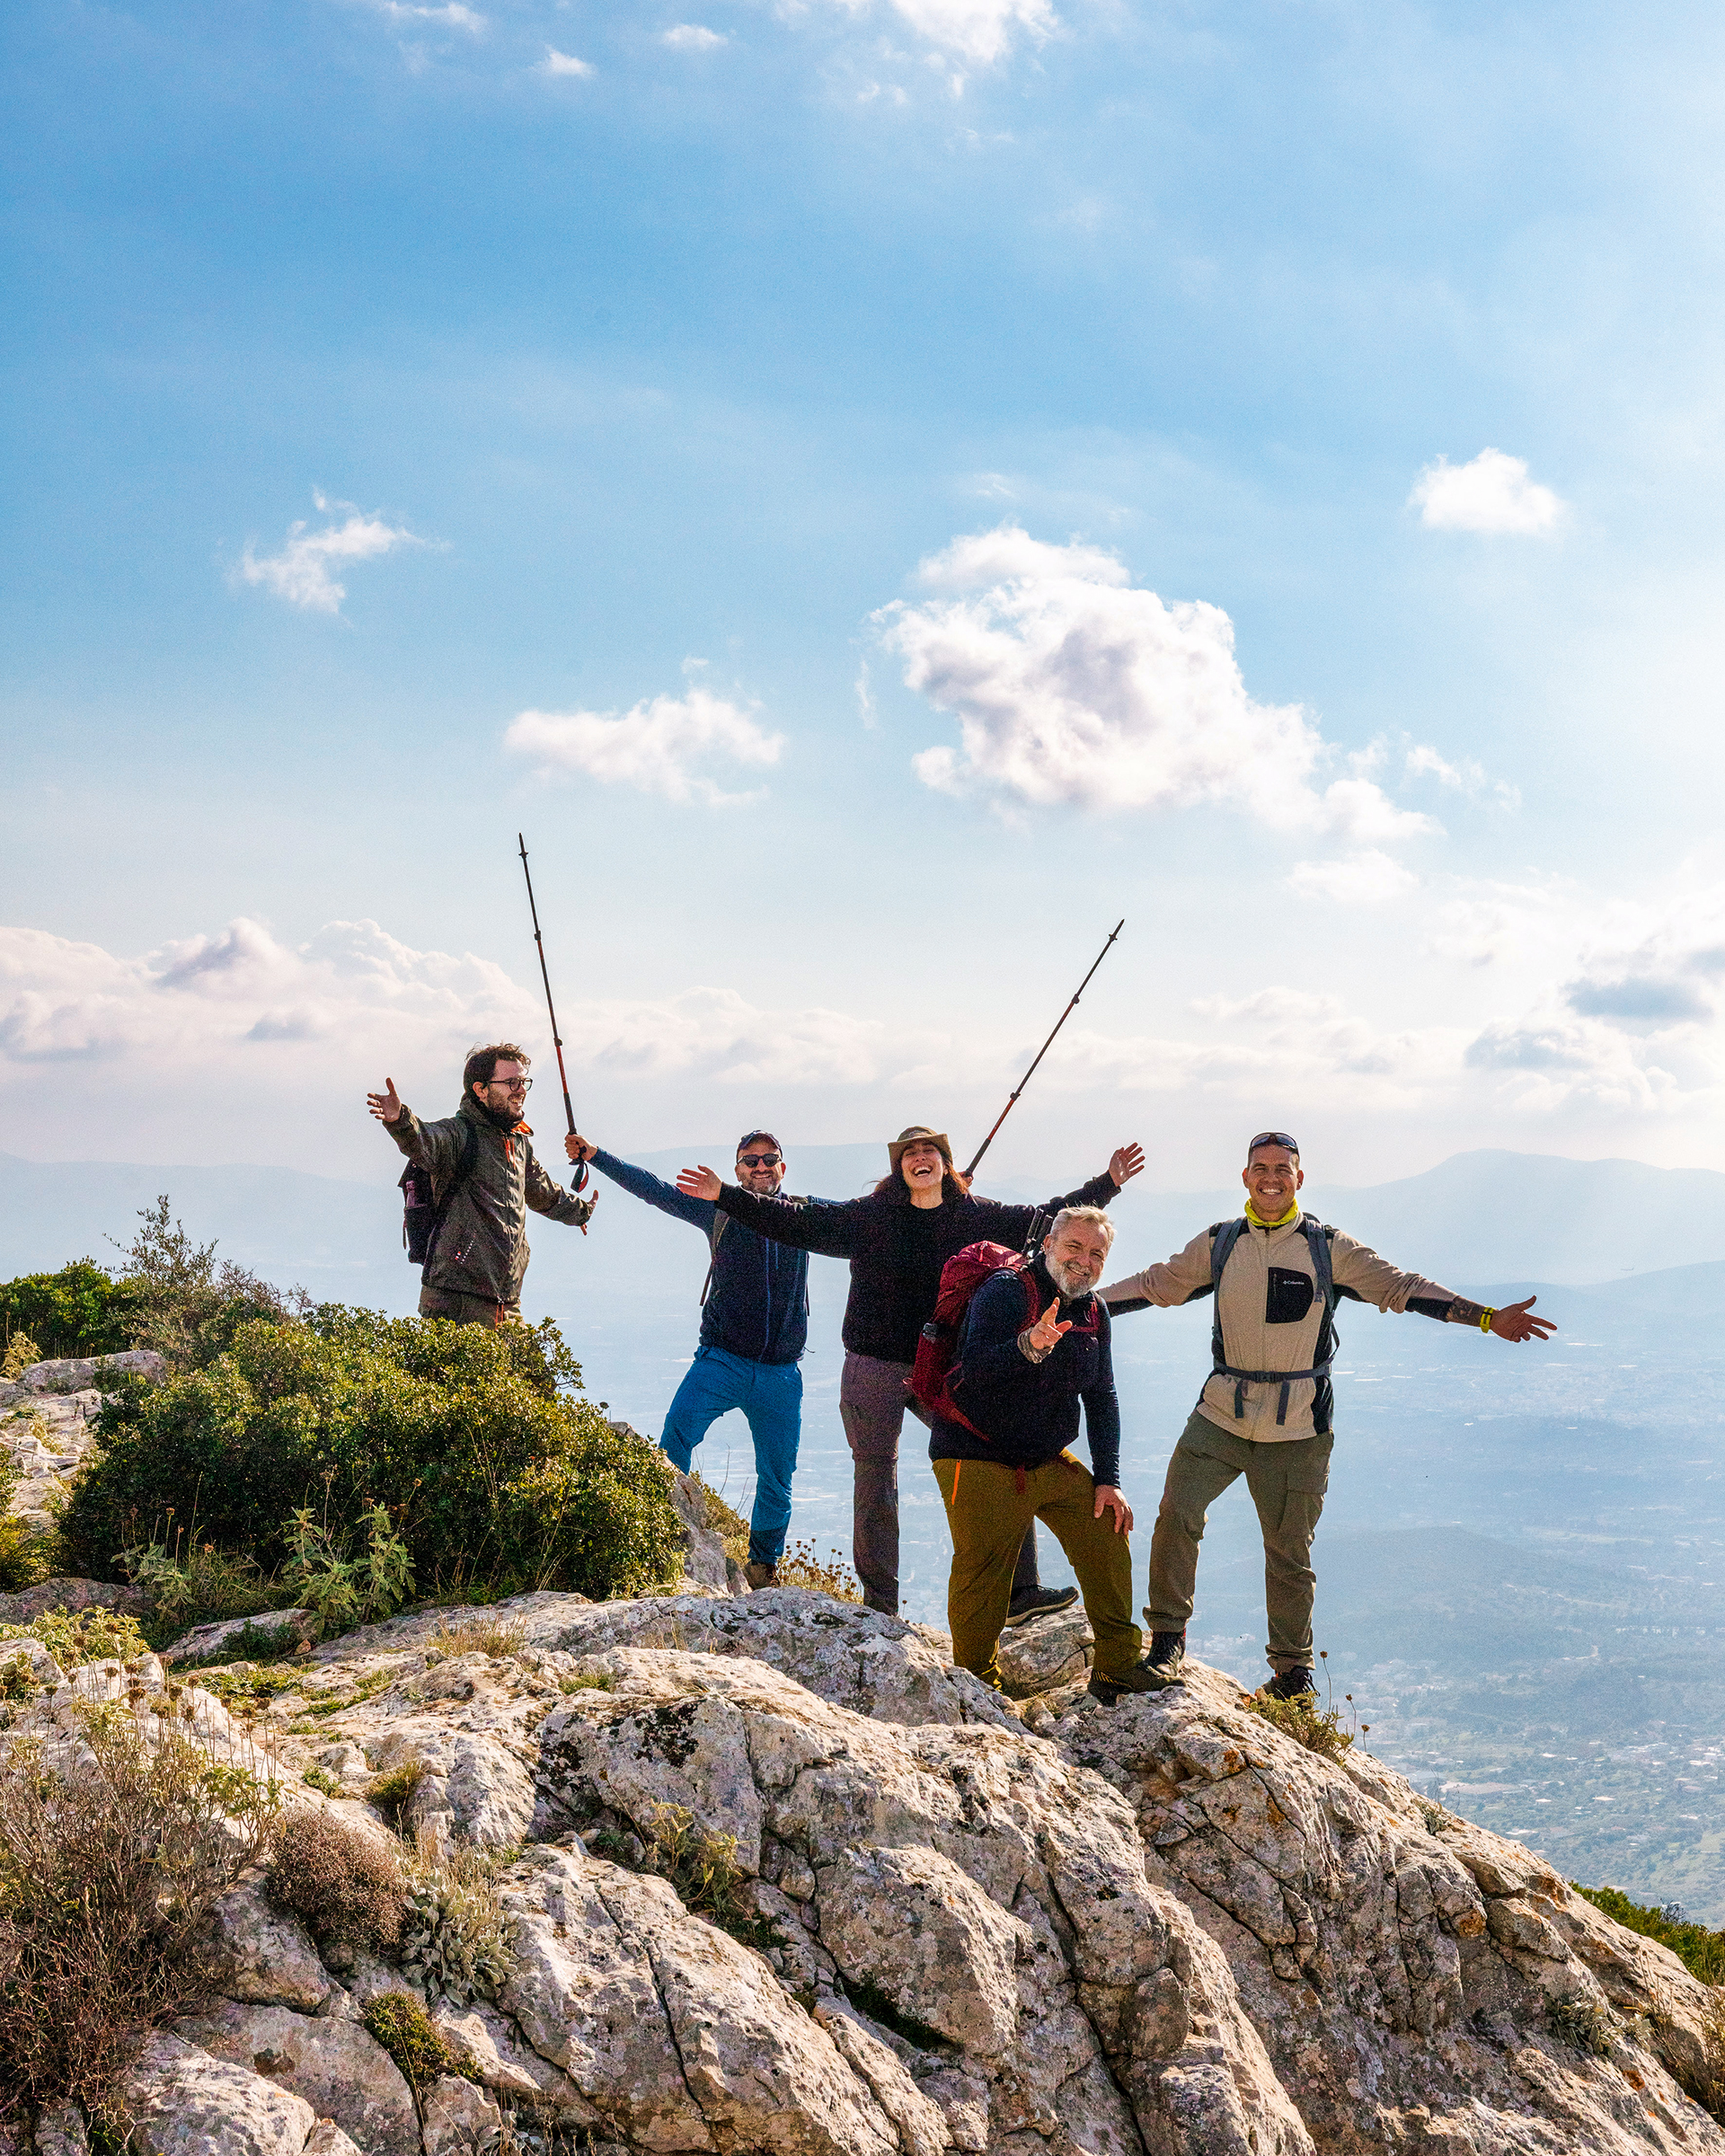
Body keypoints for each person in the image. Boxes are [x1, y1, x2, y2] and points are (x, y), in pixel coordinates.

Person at [1101, 1129, 1556, 1698]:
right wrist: (1076, 1305)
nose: (1270, 1177)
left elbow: (1401, 1287)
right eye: (1260, 1167)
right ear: (1244, 1178)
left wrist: (1486, 1318)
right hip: (1220, 1413)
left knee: (1289, 1552)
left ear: (1299, 1178)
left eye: (1281, 1168)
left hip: (1299, 1429)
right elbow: (1154, 1285)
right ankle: (1167, 1642)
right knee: (1176, 1517)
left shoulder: (1327, 1247)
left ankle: (1292, 1674)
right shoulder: (1219, 1244)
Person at [677, 1126, 1144, 1617]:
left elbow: (1051, 1221)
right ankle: (881, 1607)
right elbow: (792, 1220)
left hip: (941, 1362)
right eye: (910, 1153)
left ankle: (1019, 1591)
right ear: (899, 1168)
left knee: (995, 1448)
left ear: (945, 1163)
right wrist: (726, 1195)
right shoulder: (870, 1217)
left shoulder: (975, 1215)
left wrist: (1107, 1183)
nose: (920, 1157)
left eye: (930, 1150)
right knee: (876, 1480)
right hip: (873, 1364)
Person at [565, 1126, 825, 1588]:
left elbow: (868, 1219)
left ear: (783, 1166)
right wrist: (597, 1154)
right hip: (721, 1361)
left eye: (770, 1159)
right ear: (737, 1170)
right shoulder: (719, 1211)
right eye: (751, 1160)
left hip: (781, 1373)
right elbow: (655, 1191)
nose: (761, 1166)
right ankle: (661, 1537)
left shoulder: (804, 1215)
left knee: (777, 1475)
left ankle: (763, 1569)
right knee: (674, 1442)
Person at [932, 1206, 1169, 1703]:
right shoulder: (1006, 1291)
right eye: (1075, 1248)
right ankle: (978, 1688)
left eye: (1096, 1253)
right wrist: (1027, 1345)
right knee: (983, 1569)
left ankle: (1118, 1662)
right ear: (1049, 1246)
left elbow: (1102, 1396)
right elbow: (972, 1368)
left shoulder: (1094, 1312)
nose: (1084, 1261)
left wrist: (1109, 1478)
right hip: (976, 1453)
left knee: (1106, 1525)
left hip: (1044, 1458)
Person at [367, 1045, 594, 1325]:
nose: (521, 1090)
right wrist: (400, 1120)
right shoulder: (458, 1134)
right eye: (511, 1082)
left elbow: (541, 1191)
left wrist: (580, 1212)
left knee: (532, 1372)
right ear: (481, 1089)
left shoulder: (518, 1142)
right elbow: (423, 1140)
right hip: (457, 1303)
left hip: (507, 1304)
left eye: (523, 1082)